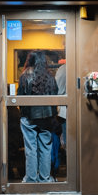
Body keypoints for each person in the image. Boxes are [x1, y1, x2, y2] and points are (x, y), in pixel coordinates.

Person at [17, 50, 58, 183]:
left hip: (29, 118)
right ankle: (45, 178)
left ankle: (31, 178)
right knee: (46, 148)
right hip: (46, 118)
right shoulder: (50, 76)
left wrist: (23, 113)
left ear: (30, 60)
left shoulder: (25, 76)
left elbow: (20, 97)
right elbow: (55, 96)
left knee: (31, 149)